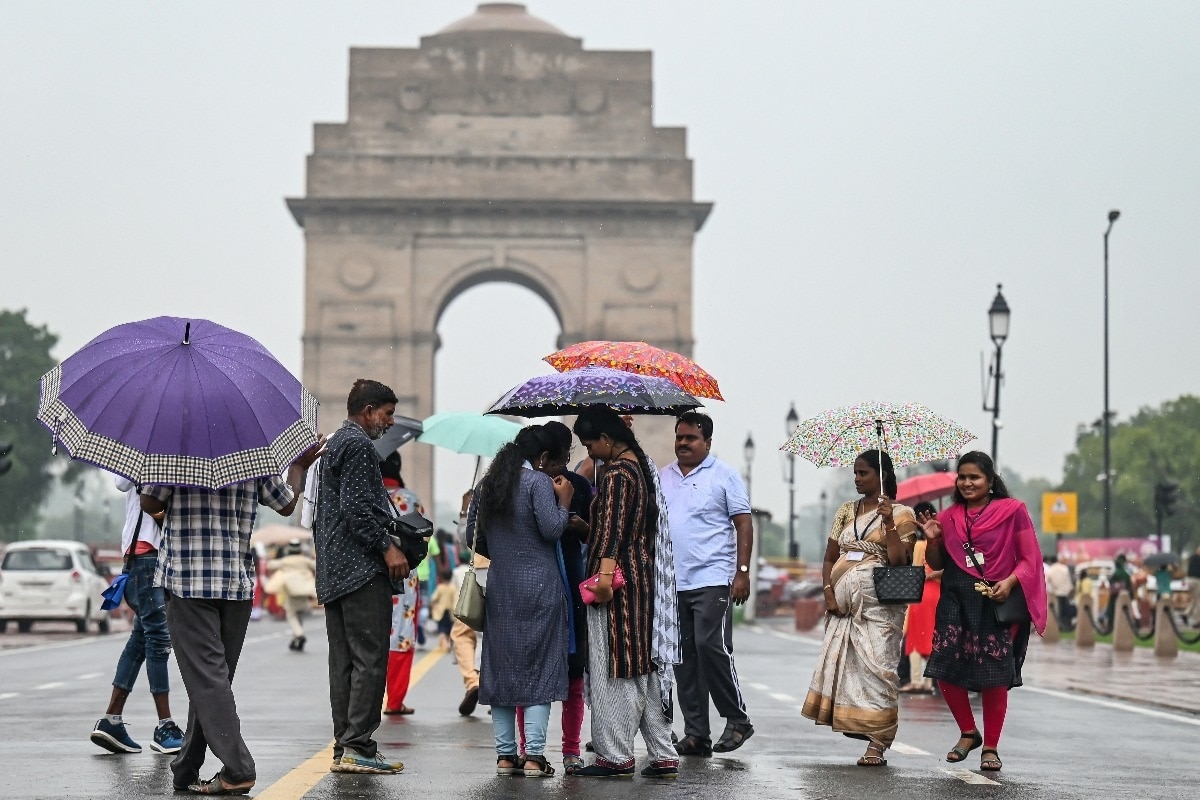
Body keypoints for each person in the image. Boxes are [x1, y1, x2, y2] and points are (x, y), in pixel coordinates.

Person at [140, 440, 324, 795]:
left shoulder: (177, 448)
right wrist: (298, 468)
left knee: (208, 680)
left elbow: (150, 501)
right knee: (212, 680)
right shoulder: (251, 450)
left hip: (188, 581)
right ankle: (186, 767)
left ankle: (239, 768)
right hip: (234, 586)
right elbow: (286, 503)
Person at [920, 450, 1046, 773]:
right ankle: (968, 731)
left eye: (974, 477)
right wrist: (933, 540)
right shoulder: (947, 517)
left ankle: (990, 746)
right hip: (954, 598)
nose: (966, 483)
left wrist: (1010, 582)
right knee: (943, 666)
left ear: (990, 481)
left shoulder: (1013, 511)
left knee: (994, 675)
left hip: (994, 598)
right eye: (961, 477)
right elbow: (937, 563)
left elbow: (1030, 558)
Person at [571, 407, 680, 779]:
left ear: (607, 438)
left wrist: (602, 577)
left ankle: (615, 756)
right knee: (641, 664)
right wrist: (588, 525)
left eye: (590, 444)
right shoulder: (642, 468)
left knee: (613, 665)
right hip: (639, 578)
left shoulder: (618, 474)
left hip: (616, 583)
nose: (590, 453)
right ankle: (663, 752)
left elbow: (614, 530)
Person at [464, 424, 573, 778]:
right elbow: (552, 529)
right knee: (540, 666)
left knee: (501, 667)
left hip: (502, 587)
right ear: (542, 458)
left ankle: (506, 755)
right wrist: (565, 502)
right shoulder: (538, 483)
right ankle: (535, 756)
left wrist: (505, 552)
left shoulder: (488, 486)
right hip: (540, 587)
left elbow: (473, 537)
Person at [314, 379, 409, 776]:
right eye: (387, 415)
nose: (389, 423)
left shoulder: (335, 442)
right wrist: (388, 547)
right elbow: (357, 509)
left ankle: (346, 746)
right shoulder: (357, 445)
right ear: (368, 410)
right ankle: (359, 746)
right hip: (359, 570)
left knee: (345, 663)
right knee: (370, 660)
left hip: (334, 570)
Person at [801, 449, 918, 767]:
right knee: (850, 672)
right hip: (843, 609)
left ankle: (879, 741)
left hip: (880, 610)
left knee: (880, 670)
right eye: (855, 472)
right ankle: (859, 725)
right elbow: (829, 557)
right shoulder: (845, 511)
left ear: (882, 476)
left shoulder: (903, 513)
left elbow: (899, 561)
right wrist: (828, 592)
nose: (856, 478)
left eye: (863, 472)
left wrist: (889, 521)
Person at [659, 411, 754, 757]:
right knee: (683, 657)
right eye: (679, 437)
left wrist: (741, 572)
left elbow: (743, 524)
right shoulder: (663, 477)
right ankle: (697, 733)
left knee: (710, 645)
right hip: (673, 582)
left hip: (713, 578)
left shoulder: (724, 476)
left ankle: (737, 718)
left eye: (691, 438)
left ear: (707, 442)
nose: (683, 443)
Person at [512, 419, 594, 773]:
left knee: (573, 672)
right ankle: (530, 749)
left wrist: (577, 523)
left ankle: (570, 750)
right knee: (530, 671)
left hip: (570, 584)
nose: (560, 466)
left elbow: (594, 534)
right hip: (535, 586)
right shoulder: (520, 486)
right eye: (557, 459)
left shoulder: (578, 485)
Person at [89, 475, 184, 756]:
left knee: (140, 641)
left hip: (146, 557)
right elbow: (121, 483)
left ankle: (111, 720)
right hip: (147, 557)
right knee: (158, 639)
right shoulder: (146, 456)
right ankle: (164, 726)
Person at [380, 452, 424, 716]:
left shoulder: (367, 492)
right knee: (401, 634)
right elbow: (423, 536)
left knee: (374, 635)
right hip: (405, 574)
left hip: (373, 572)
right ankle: (395, 701)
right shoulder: (409, 499)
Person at [450, 488, 486, 716]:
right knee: (500, 632)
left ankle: (473, 682)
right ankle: (499, 691)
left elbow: (466, 539)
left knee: (462, 631)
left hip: (480, 570)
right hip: (511, 571)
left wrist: (466, 510)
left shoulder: (481, 491)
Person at [900, 501, 941, 694]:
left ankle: (916, 680)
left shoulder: (918, 546)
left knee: (915, 638)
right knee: (932, 637)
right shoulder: (940, 543)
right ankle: (929, 682)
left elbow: (915, 572)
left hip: (921, 593)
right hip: (937, 594)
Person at [266, 539, 317, 651]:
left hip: (291, 591)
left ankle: (299, 634)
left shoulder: (285, 561)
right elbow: (316, 566)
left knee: (292, 615)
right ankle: (296, 638)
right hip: (304, 590)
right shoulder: (304, 560)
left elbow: (270, 566)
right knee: (299, 614)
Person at [1044, 555, 1075, 631]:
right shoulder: (1064, 568)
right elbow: (1068, 580)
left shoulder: (1051, 570)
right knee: (1065, 609)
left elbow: (1048, 582)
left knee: (1058, 610)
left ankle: (1060, 626)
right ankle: (1066, 625)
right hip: (1065, 592)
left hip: (1056, 593)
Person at [429, 568, 457, 651]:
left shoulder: (440, 588)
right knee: (449, 629)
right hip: (450, 611)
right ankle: (448, 643)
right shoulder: (453, 588)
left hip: (441, 611)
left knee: (441, 629)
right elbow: (455, 600)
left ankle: (444, 642)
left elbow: (433, 598)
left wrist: (432, 605)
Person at [1106, 553, 1132, 627]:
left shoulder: (1114, 570)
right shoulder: (1125, 573)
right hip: (1123, 596)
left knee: (1112, 610)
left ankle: (1110, 626)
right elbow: (1129, 584)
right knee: (1121, 611)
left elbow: (1110, 580)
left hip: (1114, 595)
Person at [1186, 547, 1200, 625]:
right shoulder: (1197, 559)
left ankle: (1186, 613)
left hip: (1190, 580)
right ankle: (1196, 620)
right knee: (1198, 600)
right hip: (1195, 580)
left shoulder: (1192, 558)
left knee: (1195, 599)